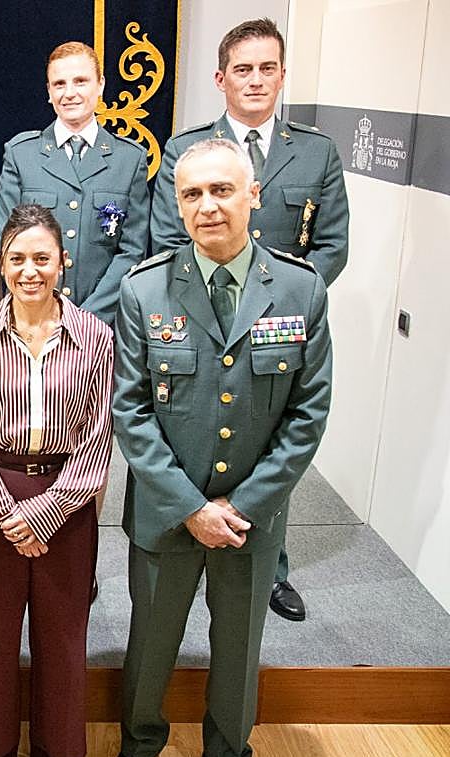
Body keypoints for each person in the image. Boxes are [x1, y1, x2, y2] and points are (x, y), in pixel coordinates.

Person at [111, 139, 332, 757]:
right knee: (151, 641)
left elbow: (308, 411)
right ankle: (140, 745)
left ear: (253, 194)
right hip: (166, 513)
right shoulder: (143, 287)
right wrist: (189, 506)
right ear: (176, 204)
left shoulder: (299, 288)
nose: (207, 206)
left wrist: (242, 504)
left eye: (222, 190)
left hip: (251, 517)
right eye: (192, 194)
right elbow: (130, 409)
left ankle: (231, 754)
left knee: (239, 646)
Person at [150, 18, 349, 623]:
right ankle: (188, 551)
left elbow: (331, 246)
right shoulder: (187, 149)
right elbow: (165, 239)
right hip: (196, 322)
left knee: (267, 445)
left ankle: (270, 570)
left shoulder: (316, 152)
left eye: (268, 68)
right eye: (243, 68)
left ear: (283, 74)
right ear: (221, 78)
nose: (256, 80)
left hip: (276, 330)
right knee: (202, 439)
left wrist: (283, 302)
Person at [0, 204, 113, 757]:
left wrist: (45, 511)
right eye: (17, 259)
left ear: (62, 263)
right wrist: (7, 513)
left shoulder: (95, 337)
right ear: (1, 266)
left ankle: (52, 747)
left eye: (42, 258)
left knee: (61, 633)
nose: (30, 270)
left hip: (68, 506)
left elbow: (101, 433)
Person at [0, 41, 149, 326]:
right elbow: (4, 242)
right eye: (59, 84)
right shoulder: (21, 154)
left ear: (100, 85)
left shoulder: (130, 160)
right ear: (49, 92)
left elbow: (132, 252)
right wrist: (44, 310)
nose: (70, 93)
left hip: (104, 325)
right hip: (33, 321)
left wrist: (86, 320)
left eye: (80, 81)